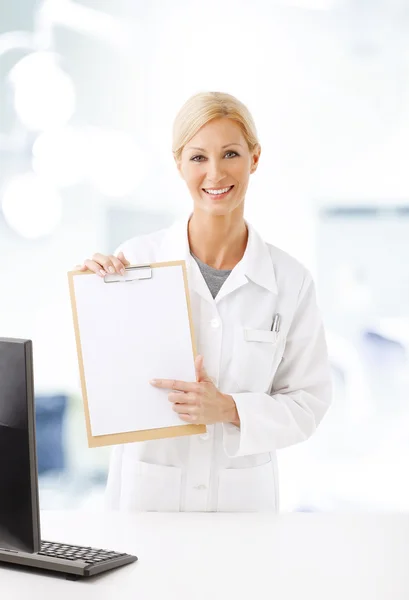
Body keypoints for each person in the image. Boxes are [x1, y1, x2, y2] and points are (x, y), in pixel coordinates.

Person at [78, 91, 332, 512]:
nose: (215, 173)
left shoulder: (291, 281)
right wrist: (94, 303)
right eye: (198, 158)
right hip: (147, 500)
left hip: (241, 507)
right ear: (178, 163)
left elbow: (308, 403)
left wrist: (230, 409)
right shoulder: (137, 261)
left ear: (254, 158)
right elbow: (106, 386)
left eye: (230, 153)